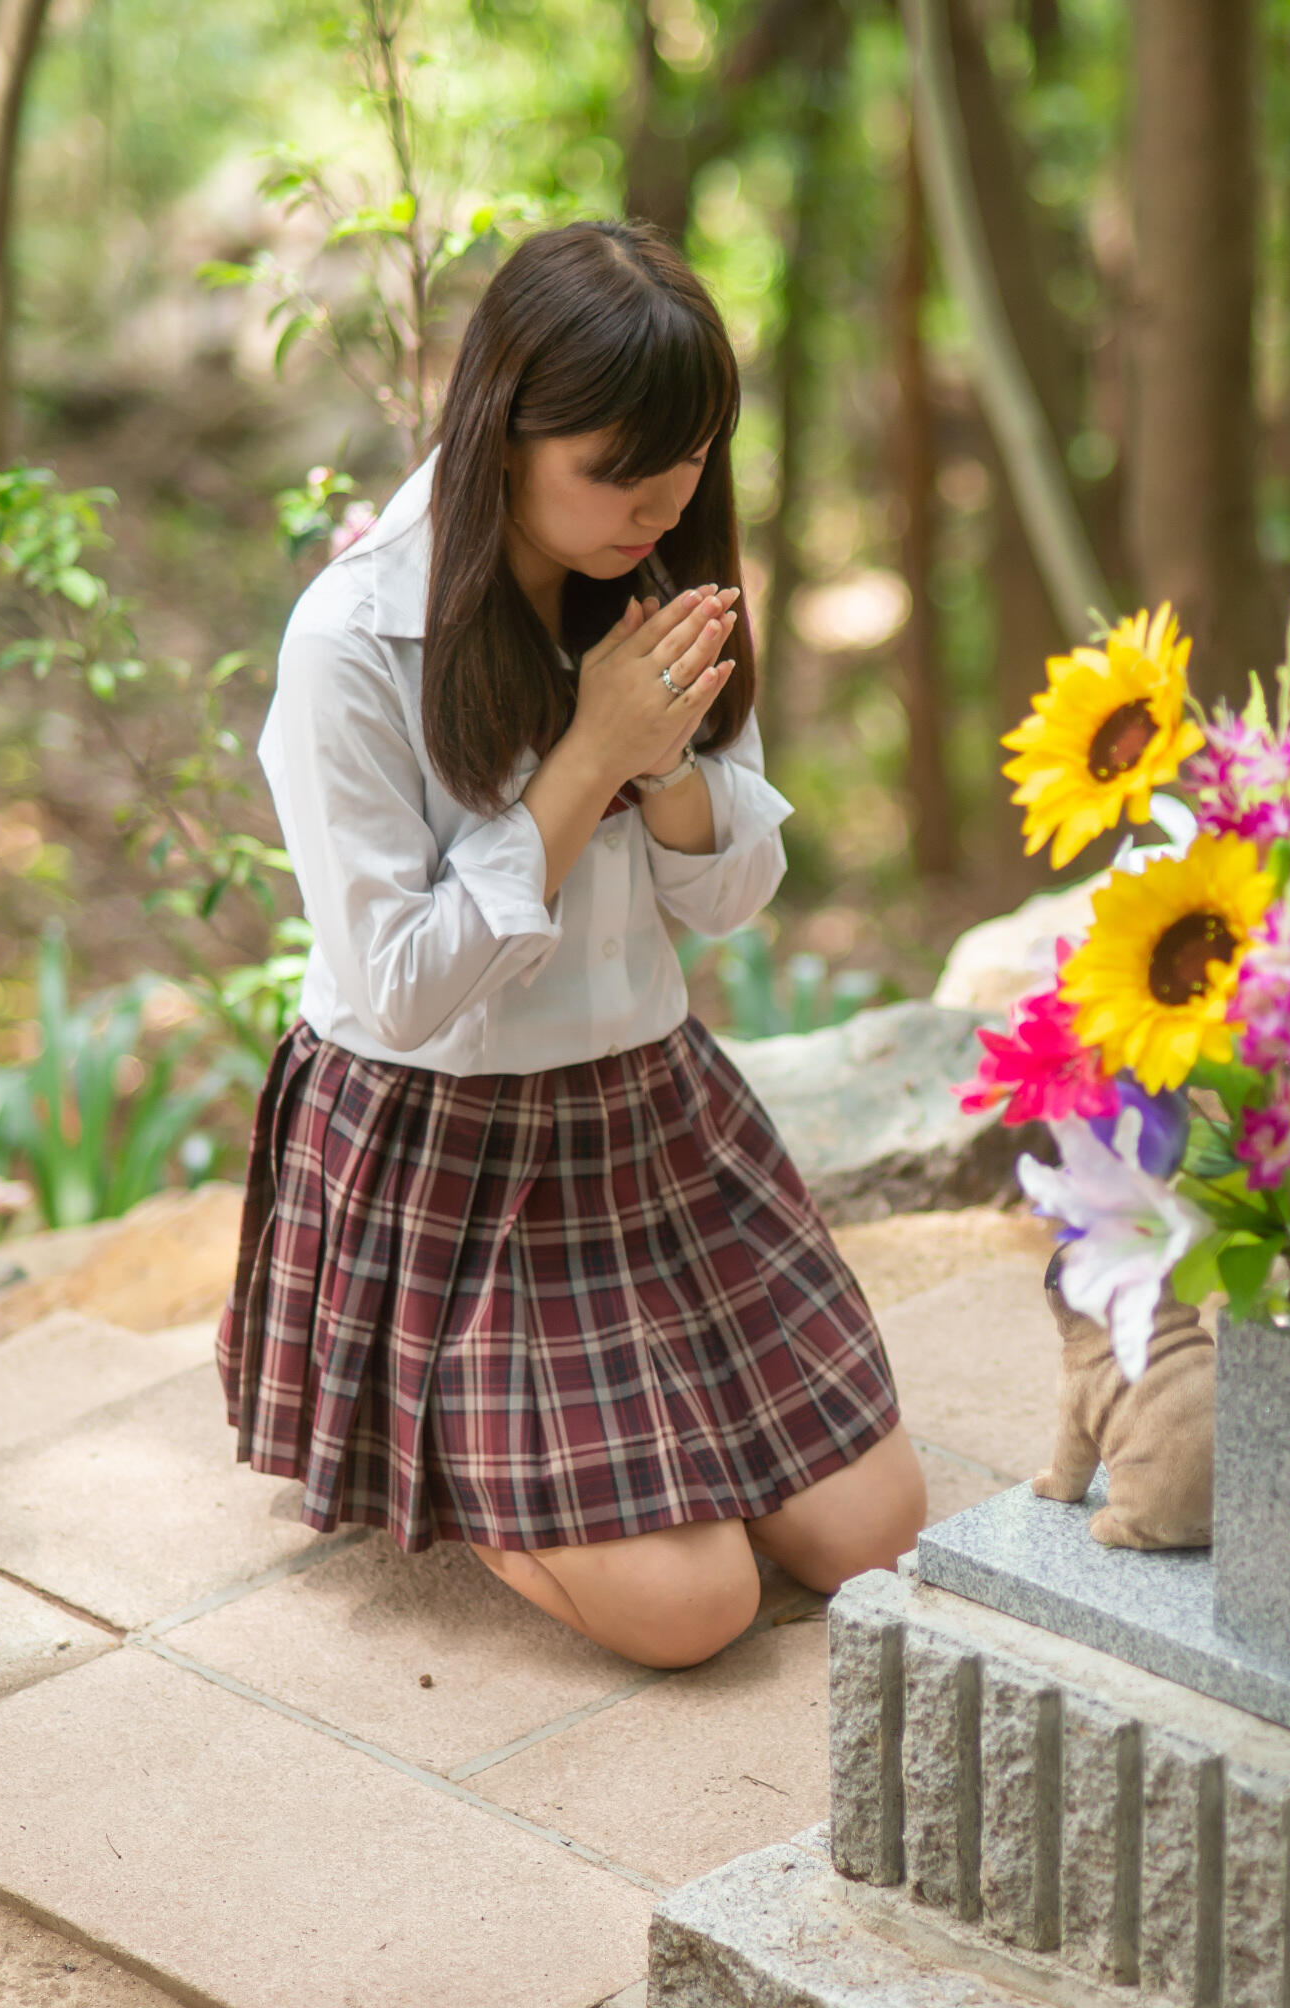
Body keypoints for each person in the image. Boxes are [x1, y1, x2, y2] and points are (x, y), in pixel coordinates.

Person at [217, 221, 924, 1669]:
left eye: (689, 464)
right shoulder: (353, 639)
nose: (659, 503)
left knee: (873, 1534)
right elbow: (398, 989)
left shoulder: (659, 582)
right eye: (616, 469)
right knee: (696, 1611)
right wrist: (586, 758)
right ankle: (420, 1437)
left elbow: (729, 901)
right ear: (503, 430)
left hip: (650, 1116)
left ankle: (620, 1459)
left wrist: (664, 762)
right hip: (451, 1152)